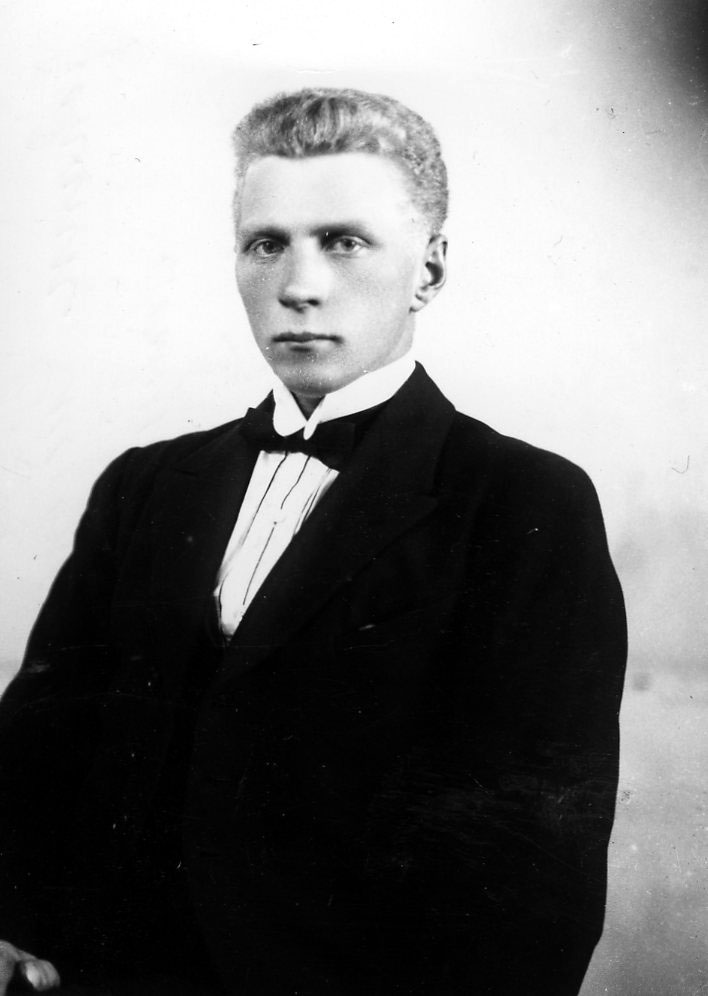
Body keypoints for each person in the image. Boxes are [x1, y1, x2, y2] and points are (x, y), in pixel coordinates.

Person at [0, 88, 626, 995]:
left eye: (344, 241)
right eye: (267, 243)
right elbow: (35, 749)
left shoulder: (522, 501)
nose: (298, 285)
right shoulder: (146, 485)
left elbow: (534, 871)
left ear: (430, 270)